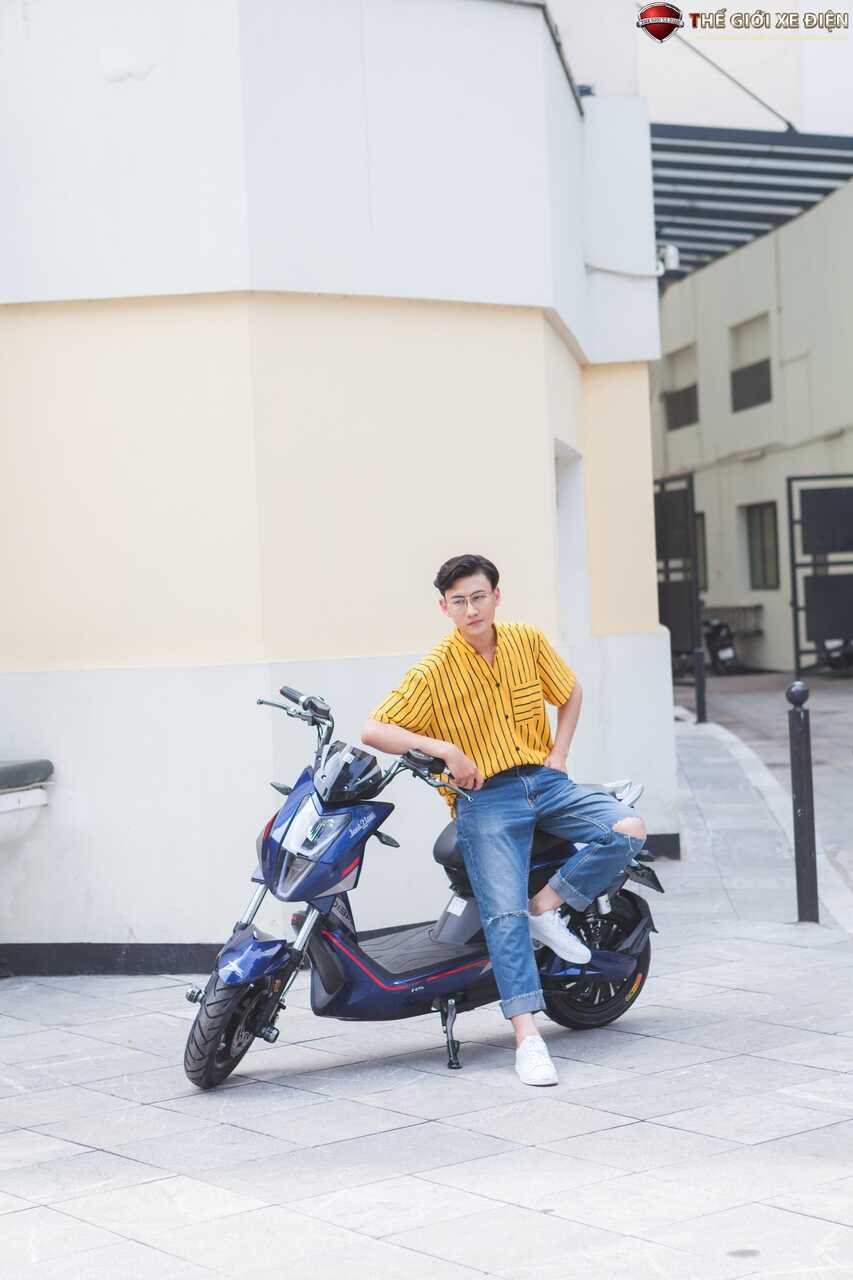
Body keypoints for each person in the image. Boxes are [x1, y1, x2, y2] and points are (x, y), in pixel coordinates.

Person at [361, 553, 646, 1086]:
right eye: (459, 601)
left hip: (545, 781)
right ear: (444, 608)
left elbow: (570, 692)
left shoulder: (525, 642)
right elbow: (374, 730)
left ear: (496, 595)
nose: (471, 609)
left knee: (627, 829)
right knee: (501, 913)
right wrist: (445, 749)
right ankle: (528, 1039)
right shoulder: (434, 670)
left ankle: (545, 907)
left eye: (479, 596)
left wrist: (559, 754)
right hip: (485, 798)